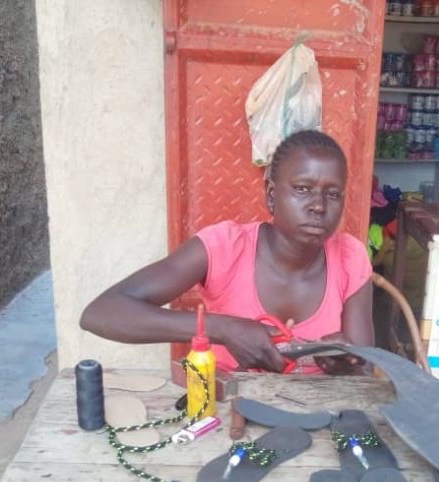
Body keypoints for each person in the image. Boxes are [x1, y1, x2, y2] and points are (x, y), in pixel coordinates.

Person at [80, 130, 373, 374]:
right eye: (303, 189)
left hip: (318, 421)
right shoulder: (225, 247)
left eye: (332, 194)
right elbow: (102, 312)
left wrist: (342, 364)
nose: (319, 205)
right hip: (225, 416)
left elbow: (364, 370)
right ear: (271, 195)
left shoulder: (350, 258)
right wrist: (222, 328)